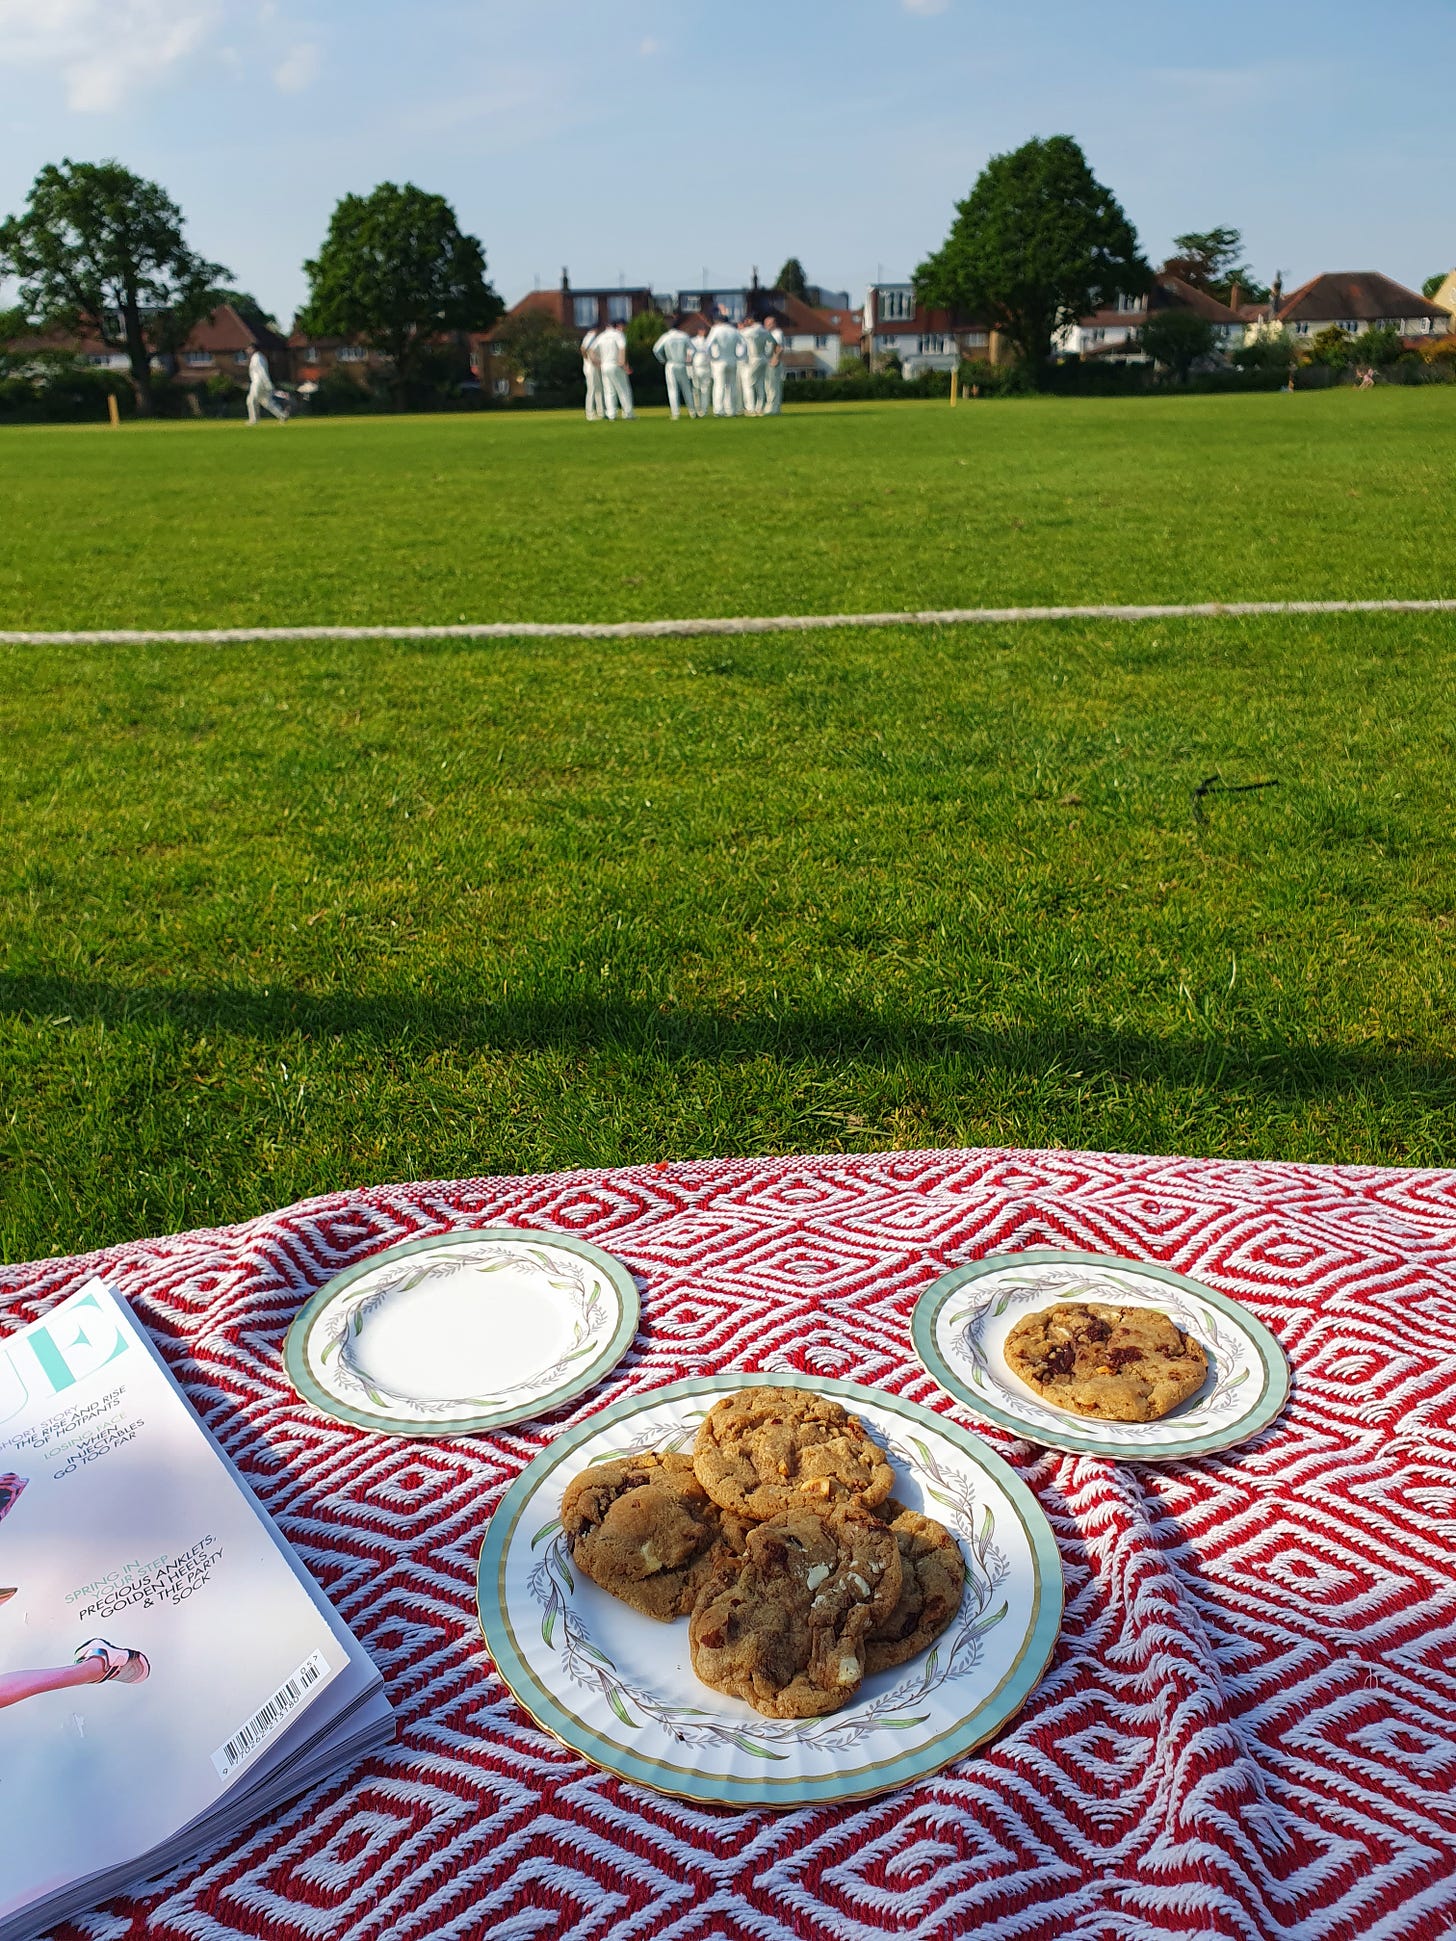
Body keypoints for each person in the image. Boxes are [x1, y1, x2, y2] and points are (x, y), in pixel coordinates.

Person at [652, 317, 696, 419]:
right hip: (682, 363)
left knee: (672, 389)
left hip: (671, 364)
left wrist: (662, 360)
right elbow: (693, 349)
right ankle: (692, 412)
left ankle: (675, 413)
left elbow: (656, 350)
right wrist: (689, 358)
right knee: (687, 389)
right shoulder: (684, 336)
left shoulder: (666, 337)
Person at [595, 318, 634, 420]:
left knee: (609, 391)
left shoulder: (602, 336)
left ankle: (611, 414)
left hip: (605, 365)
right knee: (623, 390)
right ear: (618, 326)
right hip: (615, 365)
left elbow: (591, 350)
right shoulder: (618, 335)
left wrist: (598, 363)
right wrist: (623, 363)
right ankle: (628, 414)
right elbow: (622, 348)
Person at [707, 313, 744, 416]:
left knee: (719, 385)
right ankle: (731, 410)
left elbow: (708, 345)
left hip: (720, 361)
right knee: (732, 386)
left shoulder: (716, 329)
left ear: (718, 321)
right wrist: (739, 356)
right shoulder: (734, 330)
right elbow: (744, 345)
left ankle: (719, 410)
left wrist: (712, 357)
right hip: (732, 360)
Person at [246, 345, 287, 425]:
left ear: (253, 349)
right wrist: (267, 383)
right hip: (261, 383)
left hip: (258, 383)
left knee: (251, 400)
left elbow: (262, 371)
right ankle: (282, 415)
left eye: (249, 348)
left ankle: (254, 420)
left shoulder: (256, 358)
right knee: (266, 401)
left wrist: (267, 383)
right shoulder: (260, 357)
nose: (247, 350)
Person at [738, 316, 768, 416]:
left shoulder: (750, 331)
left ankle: (751, 409)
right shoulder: (764, 330)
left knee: (748, 384)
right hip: (763, 358)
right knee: (760, 384)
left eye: (746, 321)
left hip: (754, 359)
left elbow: (737, 334)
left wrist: (741, 328)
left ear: (751, 320)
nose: (745, 323)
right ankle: (760, 408)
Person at [762, 312, 786, 415]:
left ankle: (772, 409)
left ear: (774, 324)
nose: (767, 326)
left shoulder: (777, 333)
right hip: (768, 361)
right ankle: (774, 408)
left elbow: (779, 347)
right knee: (769, 386)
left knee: (772, 386)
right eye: (766, 324)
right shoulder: (769, 333)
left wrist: (775, 359)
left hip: (773, 362)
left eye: (769, 324)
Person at [580, 323, 605, 421]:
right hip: (591, 367)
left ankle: (600, 412)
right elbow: (583, 349)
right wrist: (590, 361)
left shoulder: (591, 336)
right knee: (592, 389)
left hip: (593, 366)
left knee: (598, 388)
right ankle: (590, 413)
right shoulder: (591, 336)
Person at [689, 324, 713, 419]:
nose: (703, 332)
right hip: (696, 367)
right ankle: (697, 409)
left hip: (706, 367)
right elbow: (689, 355)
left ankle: (704, 410)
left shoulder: (708, 341)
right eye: (701, 329)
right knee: (696, 389)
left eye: (704, 330)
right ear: (698, 331)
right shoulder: (693, 341)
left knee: (705, 390)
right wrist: (689, 369)